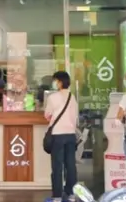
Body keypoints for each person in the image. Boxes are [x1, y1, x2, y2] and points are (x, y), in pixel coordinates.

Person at [44, 71, 79, 202]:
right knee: (70, 165)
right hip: (70, 135)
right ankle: (71, 194)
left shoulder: (52, 97)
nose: (54, 83)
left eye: (55, 81)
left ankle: (57, 195)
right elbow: (75, 116)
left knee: (57, 166)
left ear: (59, 82)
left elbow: (47, 115)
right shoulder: (72, 97)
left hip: (57, 135)